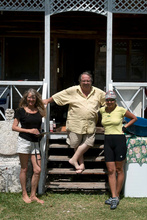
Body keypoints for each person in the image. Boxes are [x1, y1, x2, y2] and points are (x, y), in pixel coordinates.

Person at [43, 72, 105, 173]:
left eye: (88, 81)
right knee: (75, 143)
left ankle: (73, 159)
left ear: (91, 82)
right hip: (75, 123)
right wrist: (47, 101)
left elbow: (108, 101)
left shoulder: (98, 92)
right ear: (80, 82)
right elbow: (60, 95)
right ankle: (80, 164)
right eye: (84, 80)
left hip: (90, 123)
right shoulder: (73, 90)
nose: (86, 82)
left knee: (89, 142)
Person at [99, 90, 137, 210]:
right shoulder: (102, 110)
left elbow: (134, 118)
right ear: (105, 101)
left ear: (115, 101)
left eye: (112, 100)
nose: (109, 102)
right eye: (108, 100)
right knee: (111, 170)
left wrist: (125, 127)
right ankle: (114, 196)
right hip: (107, 140)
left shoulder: (120, 110)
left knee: (119, 169)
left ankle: (116, 196)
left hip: (119, 140)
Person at [12, 88, 46, 204]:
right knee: (24, 168)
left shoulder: (39, 110)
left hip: (36, 142)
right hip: (24, 141)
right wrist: (29, 131)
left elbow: (38, 126)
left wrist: (39, 133)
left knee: (37, 170)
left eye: (33, 97)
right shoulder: (20, 111)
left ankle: (33, 195)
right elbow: (14, 127)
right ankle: (24, 194)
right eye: (29, 97)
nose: (31, 99)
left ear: (36, 99)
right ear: (26, 98)